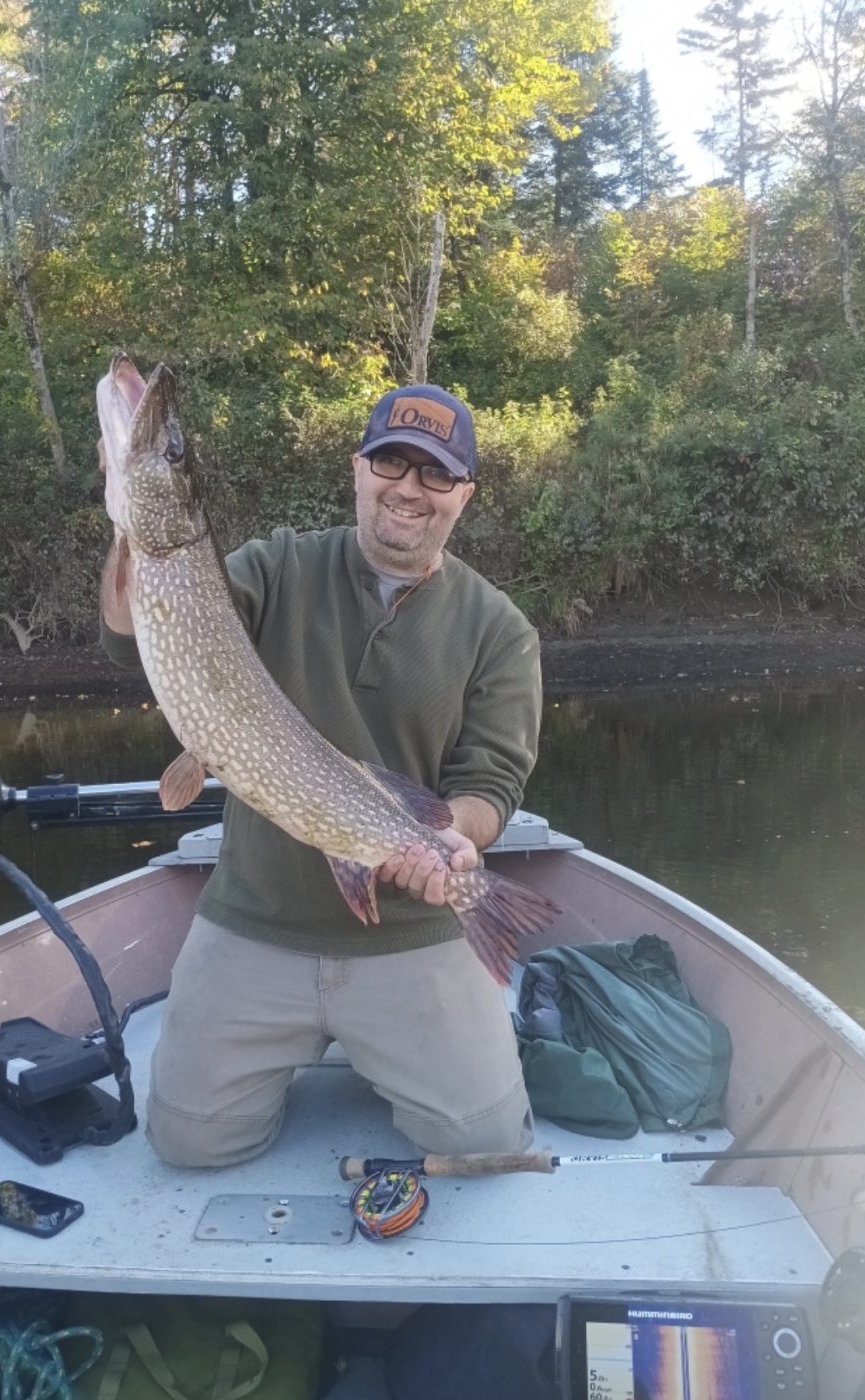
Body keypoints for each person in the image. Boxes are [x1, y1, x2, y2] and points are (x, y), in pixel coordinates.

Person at [101, 383, 543, 1168]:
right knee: (187, 1145)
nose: (408, 488)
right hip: (256, 918)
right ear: (358, 469)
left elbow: (491, 782)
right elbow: (126, 637)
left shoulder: (498, 631)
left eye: (435, 473)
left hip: (410, 931)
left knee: (484, 1146)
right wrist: (125, 526)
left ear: (463, 494)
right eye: (390, 463)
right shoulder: (274, 566)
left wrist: (450, 842)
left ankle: (389, 1047)